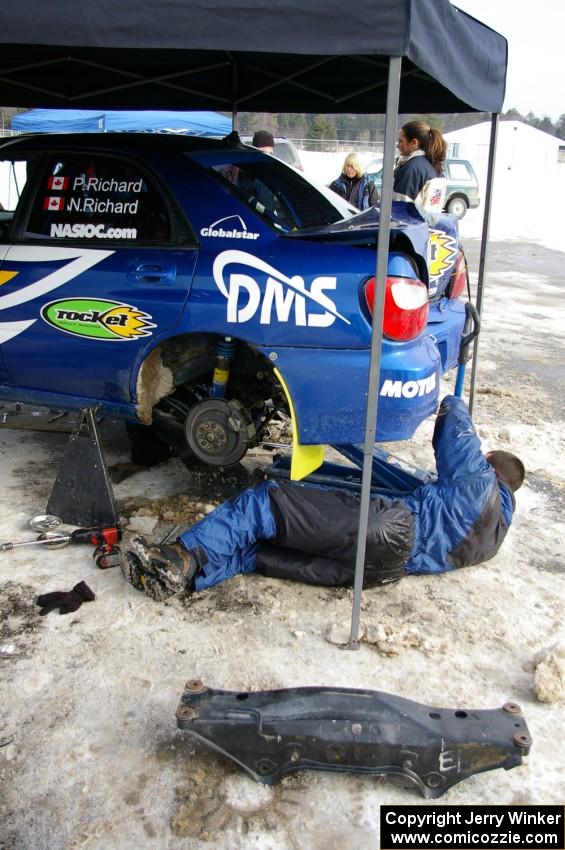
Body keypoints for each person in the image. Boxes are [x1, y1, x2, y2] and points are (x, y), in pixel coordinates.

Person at [121, 396, 525, 603]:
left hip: (387, 530)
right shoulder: (494, 537)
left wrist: (455, 401)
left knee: (265, 505)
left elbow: (455, 425)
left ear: (491, 464)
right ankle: (186, 578)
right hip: (382, 572)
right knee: (258, 551)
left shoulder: (479, 480)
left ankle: (179, 557)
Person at [393, 120, 447, 215]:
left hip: (413, 228)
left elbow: (399, 212)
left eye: (401, 141)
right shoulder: (436, 167)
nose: (398, 145)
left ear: (414, 142)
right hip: (431, 227)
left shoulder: (411, 169)